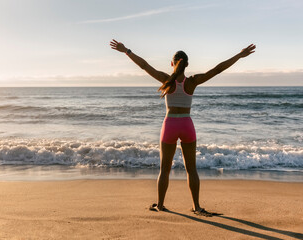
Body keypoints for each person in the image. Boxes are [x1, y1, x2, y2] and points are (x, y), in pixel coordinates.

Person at [110, 39, 256, 216]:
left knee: (164, 170)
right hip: (187, 125)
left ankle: (161, 205)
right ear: (187, 65)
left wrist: (127, 51)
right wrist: (240, 55)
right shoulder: (192, 82)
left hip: (170, 124)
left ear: (172, 63)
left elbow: (144, 66)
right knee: (191, 169)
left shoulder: (166, 79)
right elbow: (218, 69)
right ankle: (197, 207)